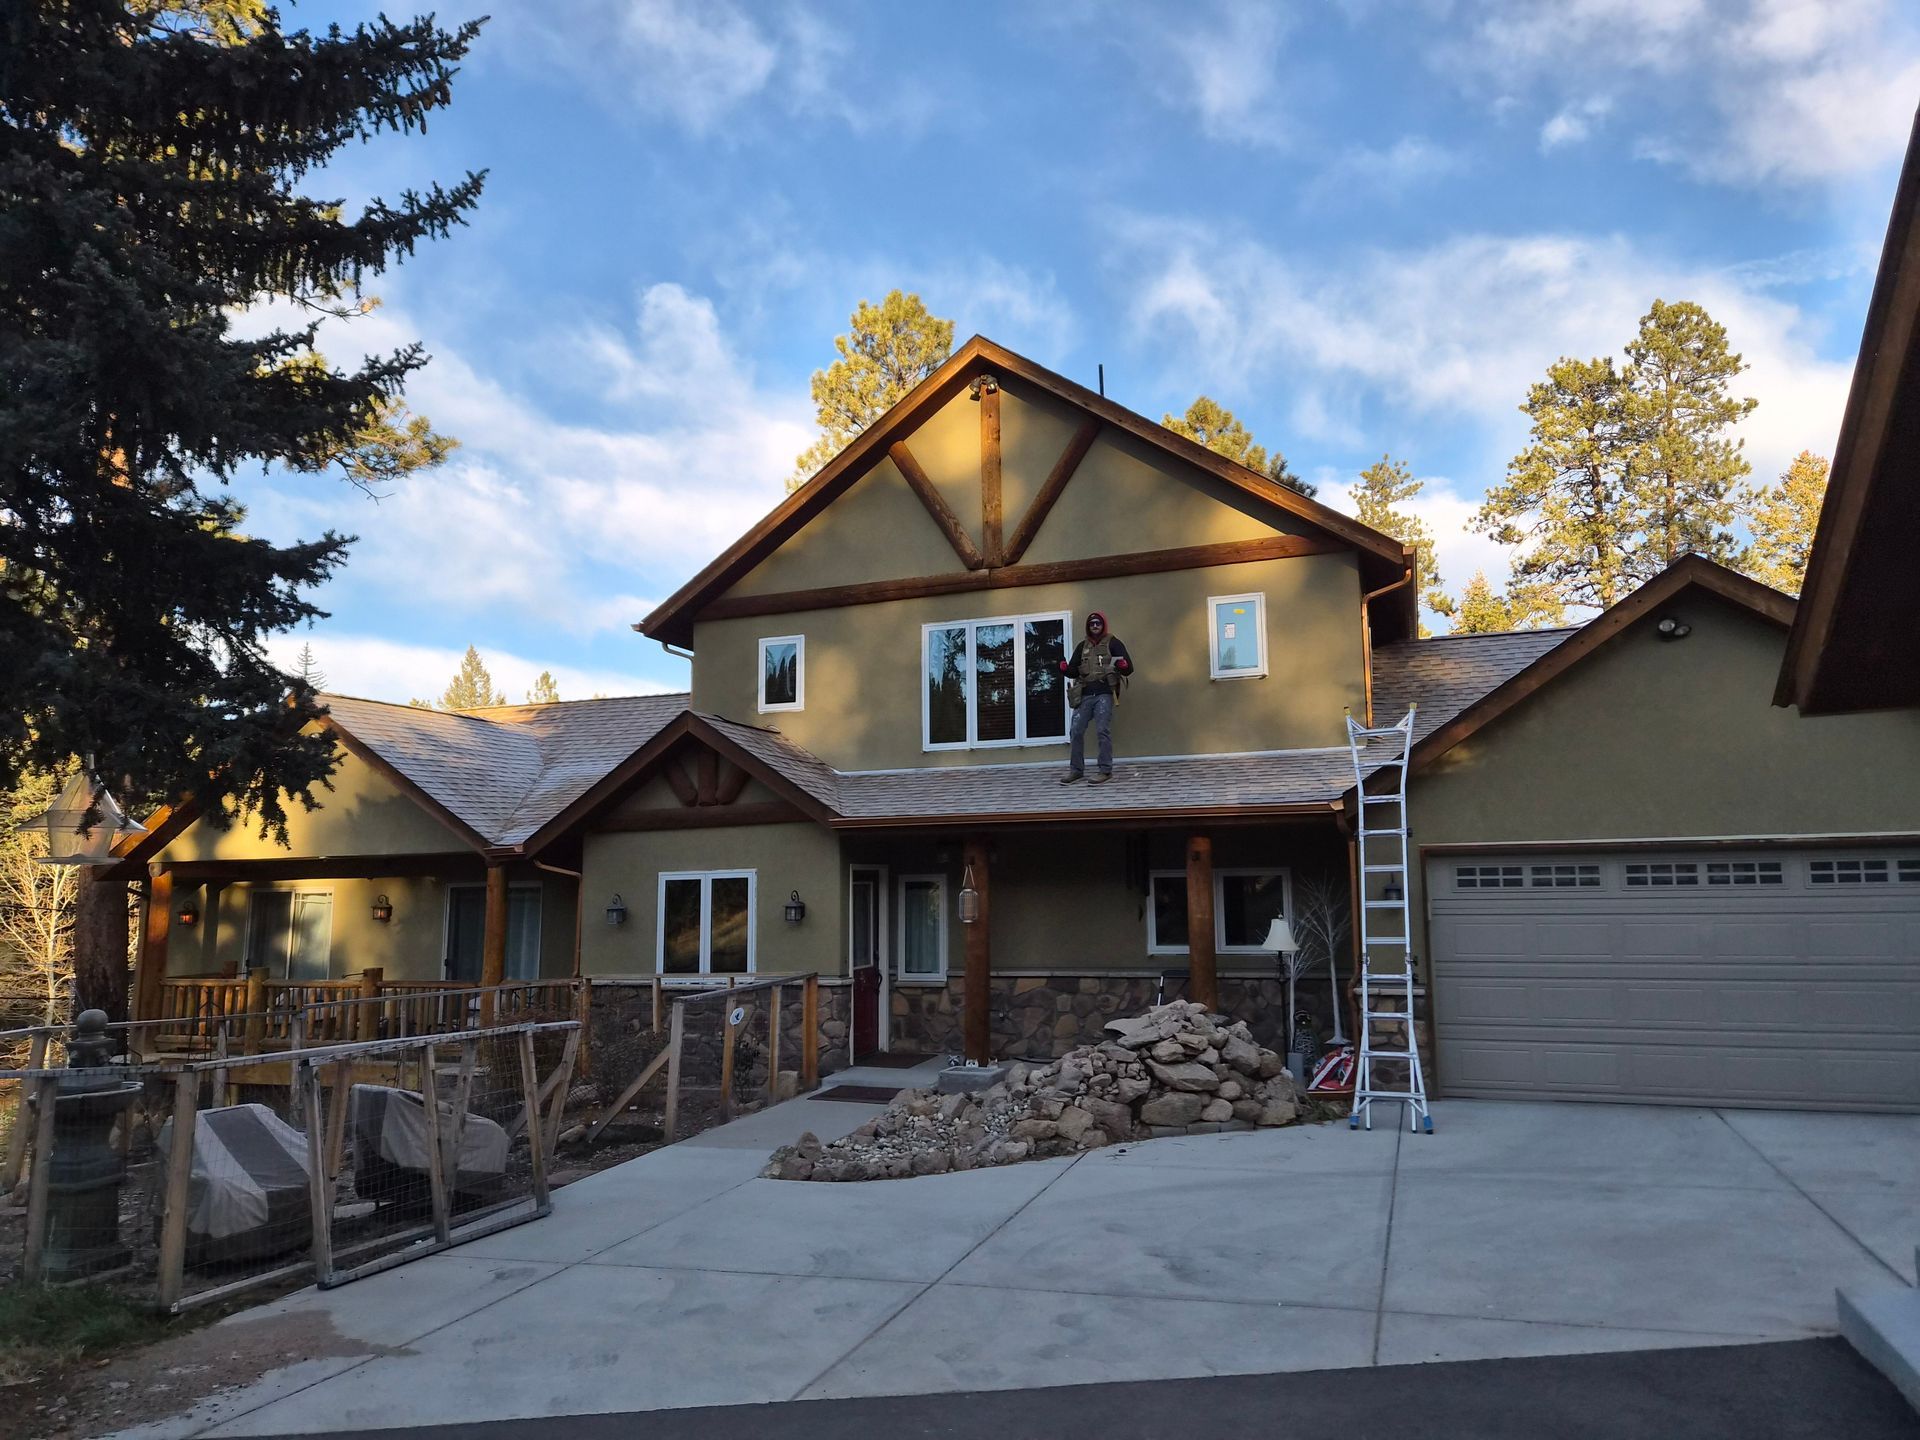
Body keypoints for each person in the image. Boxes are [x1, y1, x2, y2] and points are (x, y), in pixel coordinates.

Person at [1058, 610, 1133, 784]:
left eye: (1098, 623)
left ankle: (1105, 770)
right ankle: (1076, 770)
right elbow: (1072, 671)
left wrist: (1122, 665)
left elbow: (1129, 669)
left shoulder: (1113, 643)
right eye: (1092, 624)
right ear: (1088, 627)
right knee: (1075, 730)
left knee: (1102, 731)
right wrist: (1063, 668)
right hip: (1084, 694)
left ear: (1103, 625)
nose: (1095, 626)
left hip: (1104, 694)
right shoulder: (1082, 646)